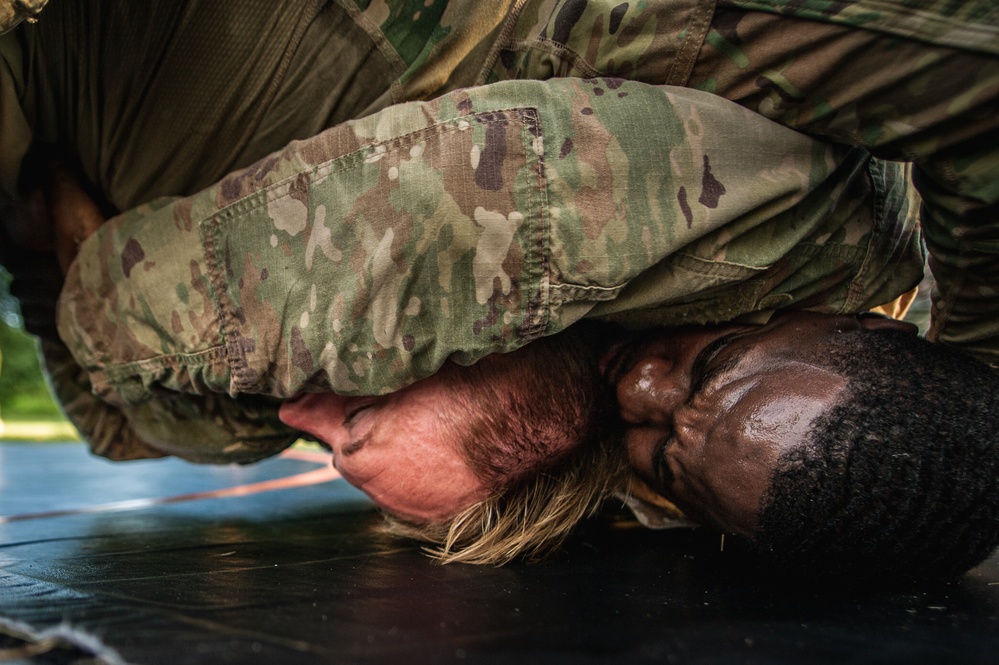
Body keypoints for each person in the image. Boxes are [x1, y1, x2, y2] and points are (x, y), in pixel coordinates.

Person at [4, 0, 999, 576]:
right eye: (711, 363)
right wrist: (100, 306)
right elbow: (425, 214)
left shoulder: (734, 471)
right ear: (841, 322)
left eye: (666, 454)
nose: (644, 385)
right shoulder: (767, 208)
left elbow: (122, 426)